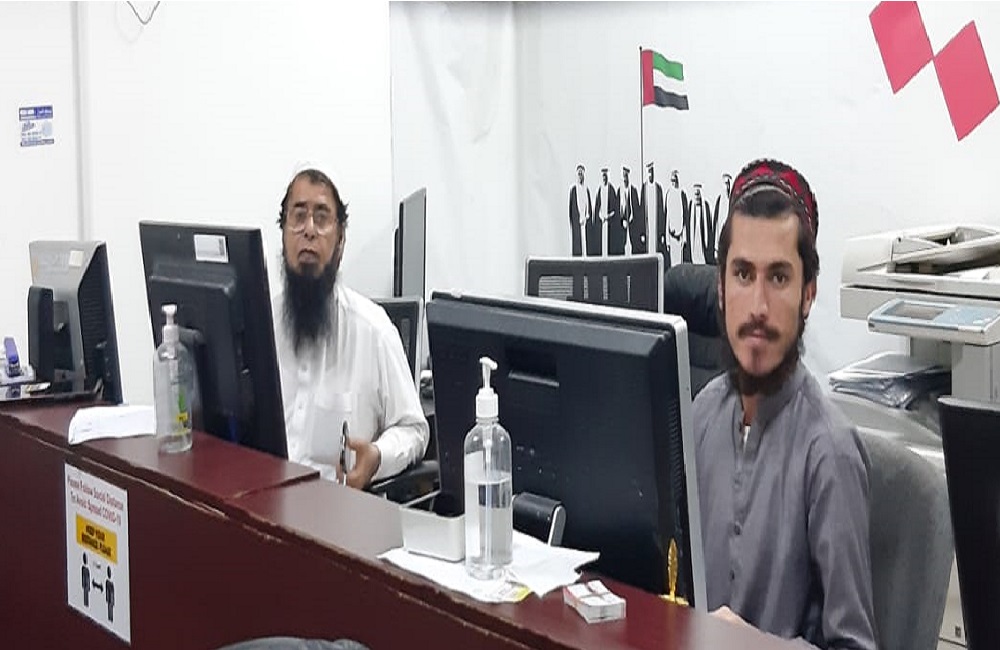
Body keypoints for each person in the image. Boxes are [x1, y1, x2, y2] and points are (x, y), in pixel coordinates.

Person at [693, 158, 877, 649]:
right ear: (721, 288)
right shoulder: (699, 416)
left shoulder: (829, 451)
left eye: (778, 278)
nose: (757, 307)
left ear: (807, 294)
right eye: (742, 274)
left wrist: (753, 645)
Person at [273, 168, 429, 487]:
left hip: (335, 507)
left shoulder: (373, 331)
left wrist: (377, 457)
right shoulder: (262, 324)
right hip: (263, 501)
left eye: (321, 218)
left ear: (341, 240)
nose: (309, 230)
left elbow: (414, 430)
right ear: (284, 234)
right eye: (298, 217)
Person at [593, 167, 618, 257]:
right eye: (603, 176)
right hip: (601, 223)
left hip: (610, 224)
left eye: (606, 176)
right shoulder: (599, 190)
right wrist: (600, 216)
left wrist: (608, 216)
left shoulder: (611, 190)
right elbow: (597, 208)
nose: (604, 178)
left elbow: (615, 210)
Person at [568, 164, 592, 257]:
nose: (580, 176)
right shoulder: (573, 190)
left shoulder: (587, 190)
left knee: (586, 245)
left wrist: (586, 217)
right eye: (579, 174)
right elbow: (571, 210)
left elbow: (589, 207)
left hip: (585, 221)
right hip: (577, 222)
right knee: (577, 244)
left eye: (582, 174)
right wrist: (575, 221)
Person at [617, 166, 640, 256]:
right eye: (623, 176)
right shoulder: (619, 191)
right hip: (623, 225)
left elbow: (637, 209)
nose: (625, 179)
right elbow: (617, 209)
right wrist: (622, 220)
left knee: (634, 246)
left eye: (626, 176)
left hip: (632, 223)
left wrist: (632, 219)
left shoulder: (633, 191)